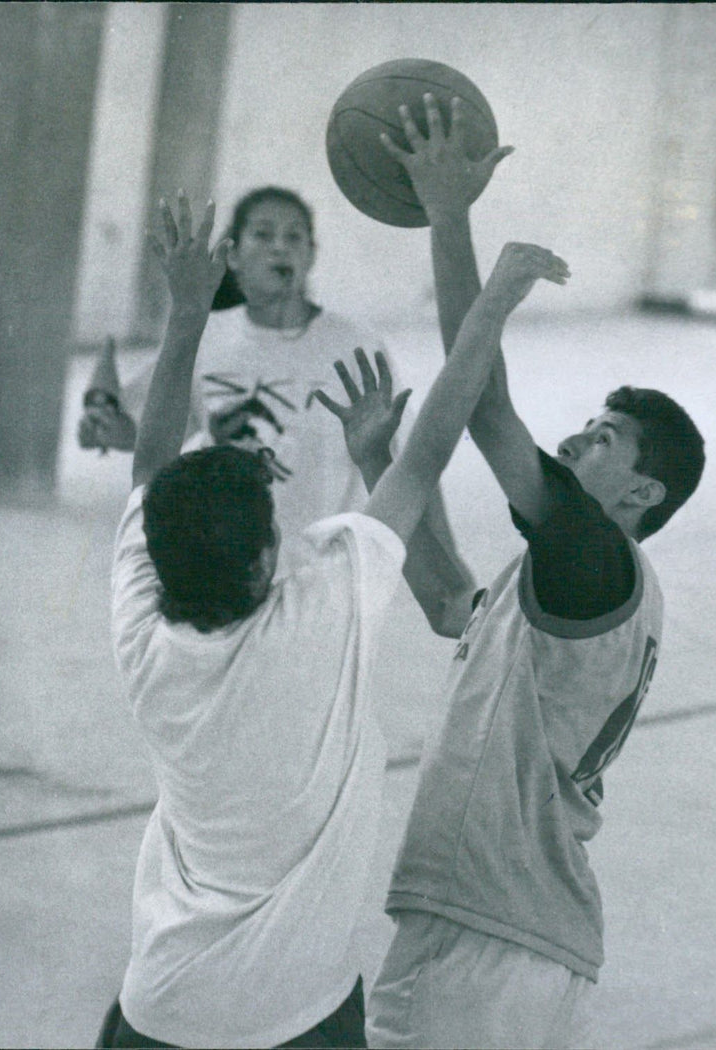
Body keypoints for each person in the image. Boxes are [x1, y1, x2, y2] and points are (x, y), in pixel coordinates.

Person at [95, 191, 563, 1048]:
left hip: (157, 1012)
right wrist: (490, 305)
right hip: (297, 1023)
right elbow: (427, 451)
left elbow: (151, 465)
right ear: (266, 561)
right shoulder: (328, 614)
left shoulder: (139, 628)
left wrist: (186, 313)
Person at [330, 96, 703, 1050]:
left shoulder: (595, 557)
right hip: (527, 942)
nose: (579, 435)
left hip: (485, 933)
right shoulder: (580, 586)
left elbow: (488, 409)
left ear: (642, 493)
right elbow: (450, 598)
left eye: (607, 439)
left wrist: (448, 214)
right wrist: (381, 463)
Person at [76, 184, 464, 574]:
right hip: (220, 564)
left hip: (318, 574)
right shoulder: (205, 334)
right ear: (233, 256)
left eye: (294, 236)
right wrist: (103, 426)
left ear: (311, 255)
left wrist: (449, 568)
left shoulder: (355, 344)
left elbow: (411, 464)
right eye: (263, 235)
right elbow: (149, 438)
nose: (280, 247)